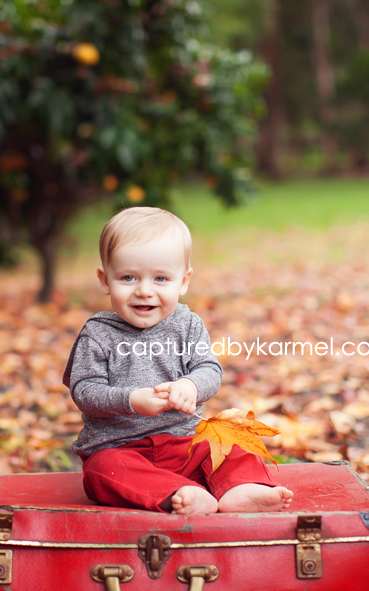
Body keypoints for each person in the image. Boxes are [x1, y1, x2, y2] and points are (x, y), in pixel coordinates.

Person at [63, 206, 293, 515]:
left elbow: (209, 369)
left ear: (183, 282)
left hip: (186, 441)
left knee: (233, 445)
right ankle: (179, 494)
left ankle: (242, 488)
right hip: (122, 448)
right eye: (128, 277)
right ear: (105, 281)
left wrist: (191, 385)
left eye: (160, 278)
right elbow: (85, 391)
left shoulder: (188, 324)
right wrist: (130, 400)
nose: (144, 291)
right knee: (102, 471)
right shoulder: (98, 333)